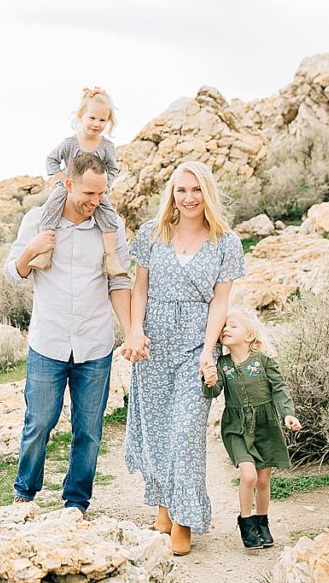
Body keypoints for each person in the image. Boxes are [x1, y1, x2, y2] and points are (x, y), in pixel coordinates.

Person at [121, 161, 245, 556]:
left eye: (195, 190)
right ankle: (162, 502)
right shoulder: (152, 234)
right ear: (171, 194)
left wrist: (209, 352)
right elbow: (138, 289)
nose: (188, 198)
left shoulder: (226, 242)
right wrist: (134, 331)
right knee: (156, 427)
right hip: (154, 341)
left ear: (207, 193)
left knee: (186, 432)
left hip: (196, 344)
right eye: (181, 190)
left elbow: (221, 301)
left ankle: (184, 518)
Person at [4, 152, 134, 520]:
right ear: (69, 184)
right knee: (40, 421)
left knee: (89, 430)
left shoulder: (111, 228)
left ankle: (76, 502)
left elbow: (119, 280)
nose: (95, 202)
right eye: (88, 194)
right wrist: (32, 250)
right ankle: (25, 493)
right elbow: (13, 274)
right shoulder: (37, 220)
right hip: (48, 341)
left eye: (101, 194)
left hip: (95, 343)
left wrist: (129, 332)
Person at [201, 310, 302, 549]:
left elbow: (279, 389)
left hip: (265, 426)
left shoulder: (264, 361)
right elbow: (214, 393)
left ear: (249, 336)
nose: (225, 329)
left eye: (233, 326)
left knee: (264, 479)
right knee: (249, 476)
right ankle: (246, 522)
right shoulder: (222, 364)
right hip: (236, 427)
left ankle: (262, 522)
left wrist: (288, 413)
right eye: (223, 326)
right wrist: (210, 381)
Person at [28, 86, 127, 277]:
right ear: (81, 115)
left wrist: (104, 188)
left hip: (95, 191)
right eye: (92, 118)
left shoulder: (106, 146)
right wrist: (61, 179)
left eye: (102, 120)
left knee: (109, 215)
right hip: (69, 188)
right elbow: (51, 160)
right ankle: (45, 252)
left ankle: (111, 259)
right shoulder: (69, 143)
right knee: (51, 208)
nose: (96, 124)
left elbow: (113, 168)